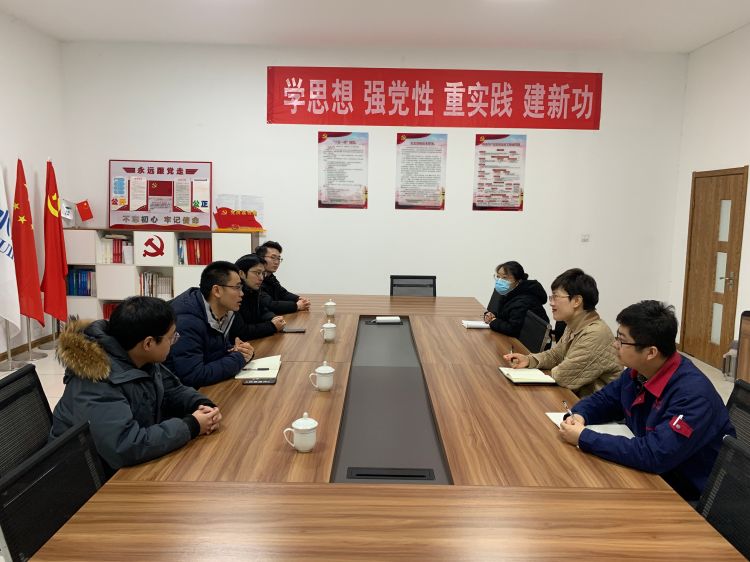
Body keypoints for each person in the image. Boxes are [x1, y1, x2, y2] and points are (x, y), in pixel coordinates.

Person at [559, 300, 735, 501]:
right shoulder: (639, 371)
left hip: (688, 492)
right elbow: (606, 399)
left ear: (651, 352)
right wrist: (581, 415)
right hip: (650, 474)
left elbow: (655, 454)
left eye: (622, 341)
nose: (615, 345)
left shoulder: (693, 396)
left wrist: (584, 437)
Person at [49, 296, 222, 478]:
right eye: (171, 338)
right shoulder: (96, 380)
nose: (174, 342)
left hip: (121, 465)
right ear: (148, 343)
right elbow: (124, 446)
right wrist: (192, 425)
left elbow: (173, 389)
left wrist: (202, 405)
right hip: (85, 478)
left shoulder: (140, 357)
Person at [504, 268, 621, 396]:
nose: (551, 303)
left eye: (556, 297)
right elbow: (555, 355)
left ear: (577, 301)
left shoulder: (595, 334)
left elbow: (562, 376)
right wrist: (530, 360)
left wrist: (551, 366)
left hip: (591, 405)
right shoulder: (574, 324)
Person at [166, 261, 255, 388]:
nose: (242, 293)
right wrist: (239, 358)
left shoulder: (221, 311)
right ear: (217, 290)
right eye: (237, 287)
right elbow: (193, 376)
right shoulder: (187, 320)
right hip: (176, 393)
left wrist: (239, 351)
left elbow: (214, 350)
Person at [483, 260, 548, 337]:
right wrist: (493, 315)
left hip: (527, 341)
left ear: (518, 281)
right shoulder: (510, 293)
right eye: (498, 276)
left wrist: (493, 321)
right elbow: (507, 314)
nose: (499, 281)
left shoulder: (523, 300)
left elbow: (513, 329)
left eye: (505, 278)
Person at [234, 253, 285, 339]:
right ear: (242, 274)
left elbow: (263, 311)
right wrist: (272, 326)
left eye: (263, 273)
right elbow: (241, 332)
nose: (261, 278)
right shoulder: (234, 295)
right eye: (257, 273)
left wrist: (274, 318)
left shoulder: (253, 290)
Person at [256, 241, 310, 314]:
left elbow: (283, 293)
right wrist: (296, 306)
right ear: (261, 258)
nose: (276, 262)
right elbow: (269, 305)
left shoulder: (270, 277)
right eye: (273, 257)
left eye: (278, 258)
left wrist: (298, 299)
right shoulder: (256, 279)